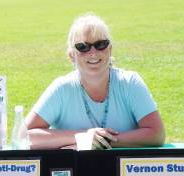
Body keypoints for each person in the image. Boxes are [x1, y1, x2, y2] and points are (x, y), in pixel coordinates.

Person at [26, 14, 165, 150]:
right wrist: (82, 137)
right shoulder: (61, 88)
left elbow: (157, 134)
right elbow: (24, 136)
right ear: (71, 55)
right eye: (82, 47)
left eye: (101, 45)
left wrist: (99, 141)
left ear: (110, 50)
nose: (93, 53)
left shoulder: (130, 83)